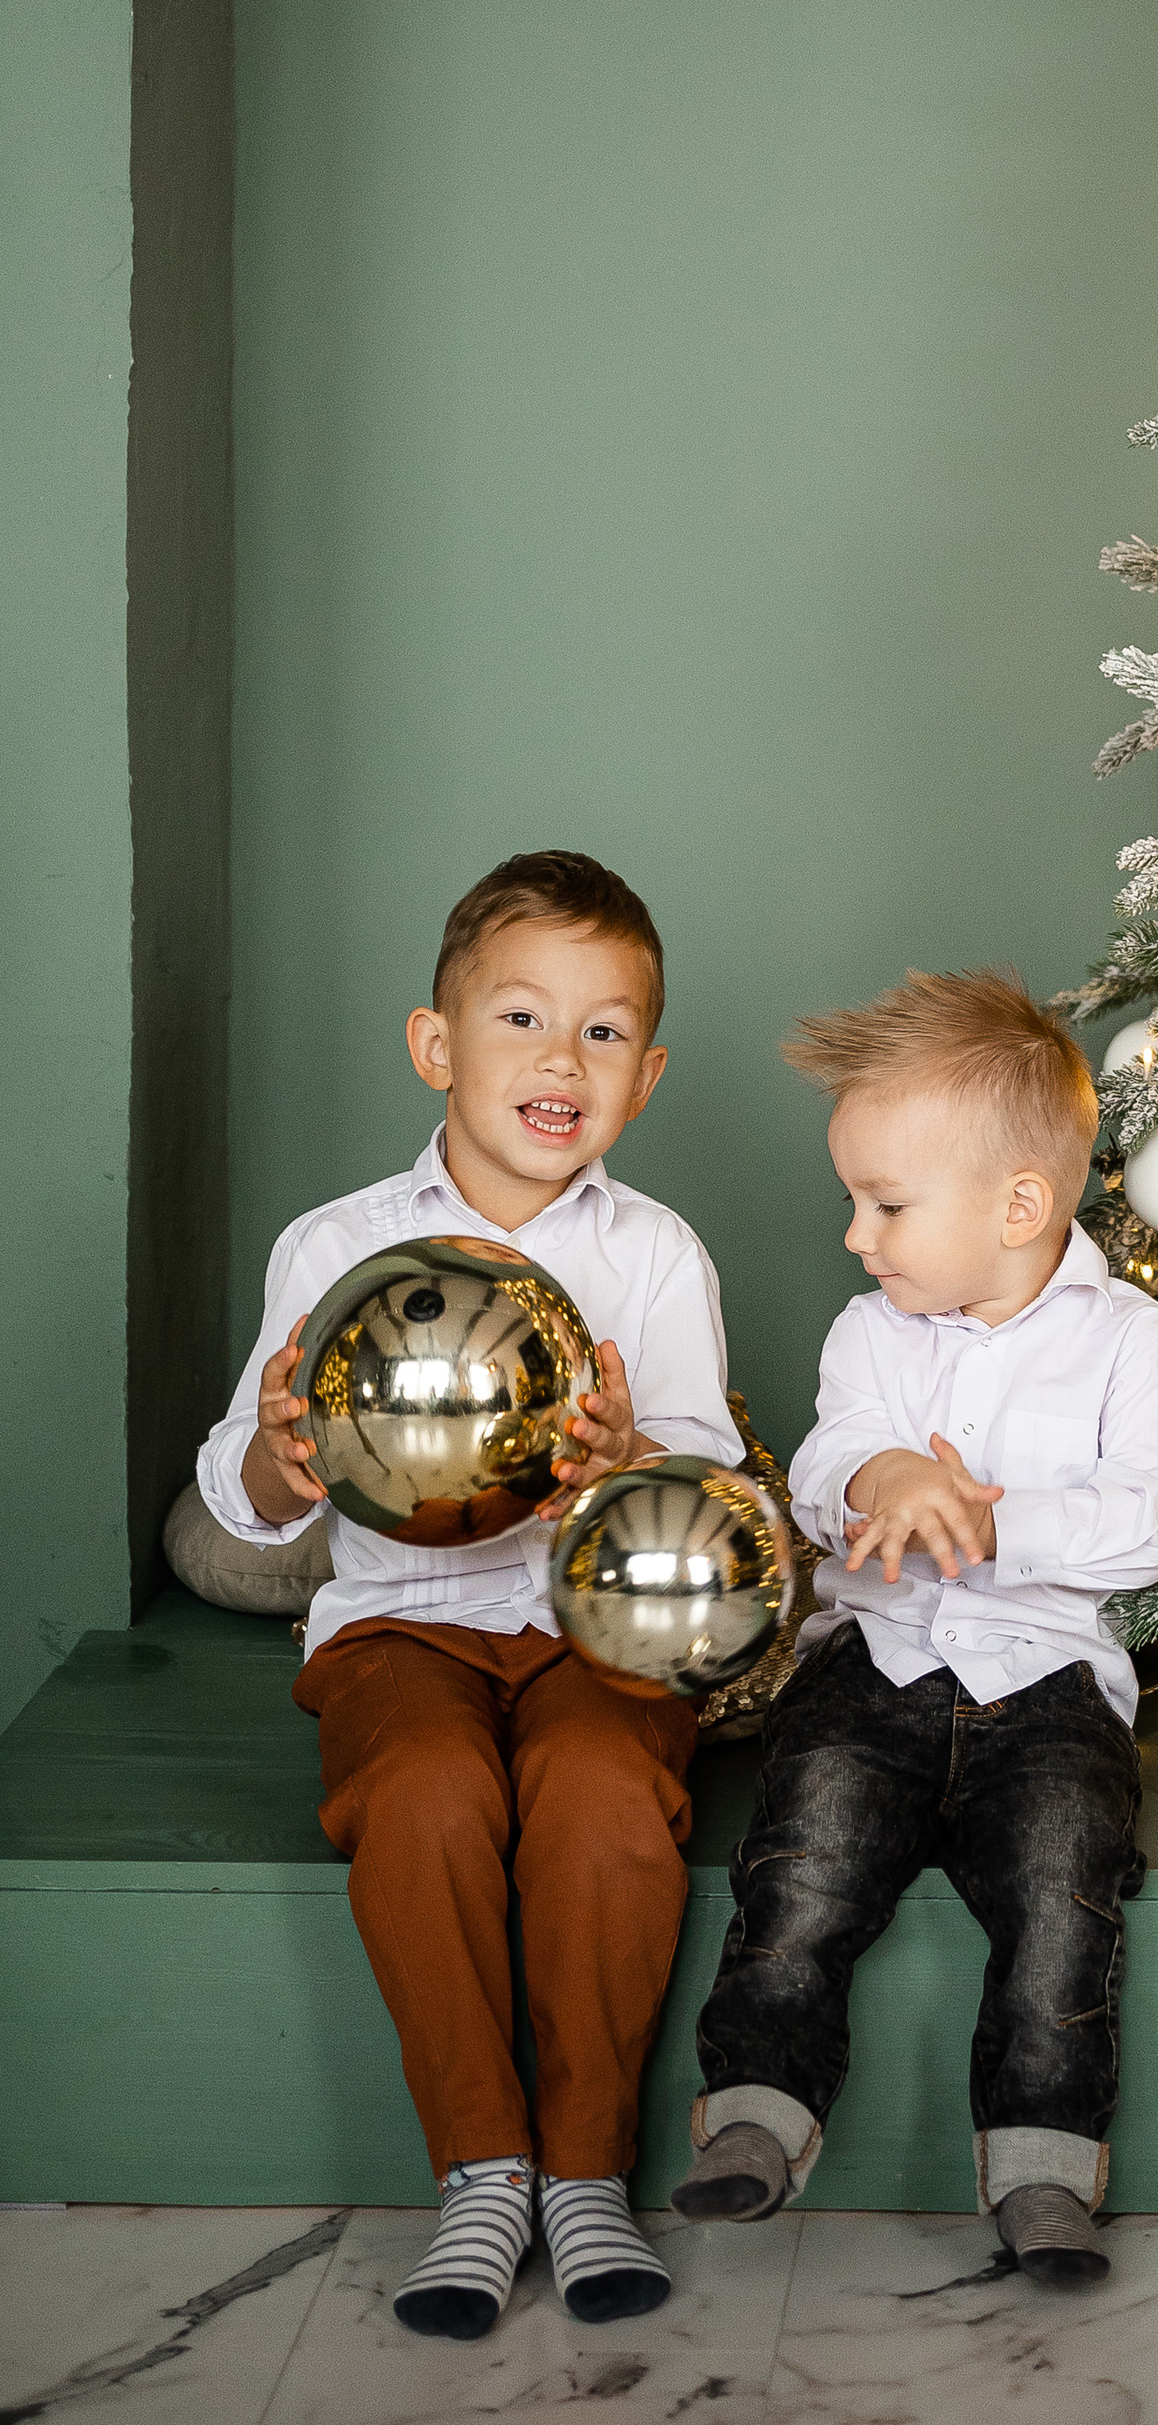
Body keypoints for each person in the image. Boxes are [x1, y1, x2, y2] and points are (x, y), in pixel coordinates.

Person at [195, 849, 740, 2343]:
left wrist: (630, 1458)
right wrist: (281, 1454)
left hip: (587, 1631)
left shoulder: (654, 1256)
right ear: (437, 1045)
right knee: (428, 1794)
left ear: (647, 1073)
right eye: (520, 1018)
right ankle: (483, 2168)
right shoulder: (335, 1243)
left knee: (601, 1797)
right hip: (396, 1623)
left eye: (606, 1031)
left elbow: (710, 1489)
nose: (562, 1058)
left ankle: (585, 2170)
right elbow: (235, 1489)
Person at [676, 969, 1158, 2285]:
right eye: (856, 1199)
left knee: (1064, 1893)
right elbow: (829, 1456)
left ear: (1019, 1202)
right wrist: (880, 1479)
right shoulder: (875, 1333)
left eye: (886, 1203)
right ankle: (757, 2108)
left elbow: (1145, 1520)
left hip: (1052, 1681)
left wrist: (987, 1519)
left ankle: (1041, 2160)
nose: (858, 1234)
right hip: (881, 1658)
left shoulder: (1133, 1342)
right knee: (804, 1858)